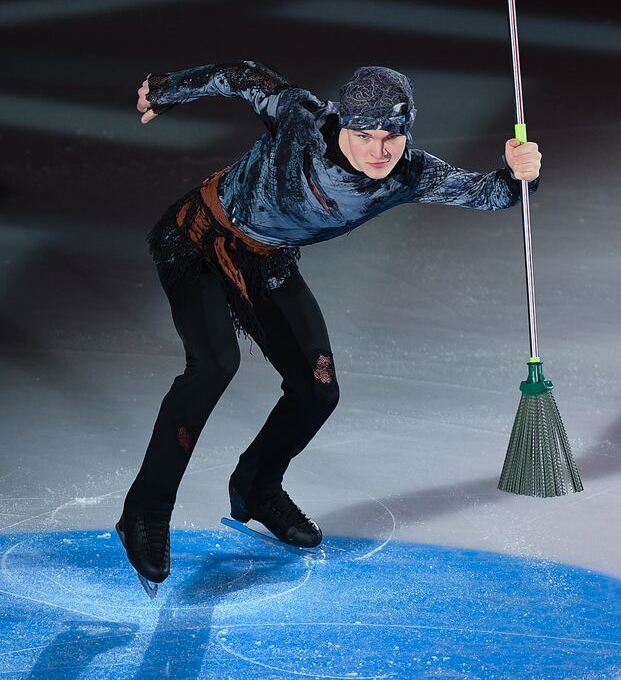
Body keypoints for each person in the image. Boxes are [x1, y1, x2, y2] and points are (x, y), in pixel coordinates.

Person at [115, 61, 541, 593]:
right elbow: (241, 75)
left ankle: (256, 486)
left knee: (317, 391)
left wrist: (520, 173)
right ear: (343, 124)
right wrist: (168, 90)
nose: (379, 151)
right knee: (214, 364)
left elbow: (492, 195)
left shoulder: (411, 172)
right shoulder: (301, 118)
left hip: (267, 263)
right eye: (365, 135)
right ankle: (145, 511)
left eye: (393, 136)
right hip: (200, 238)